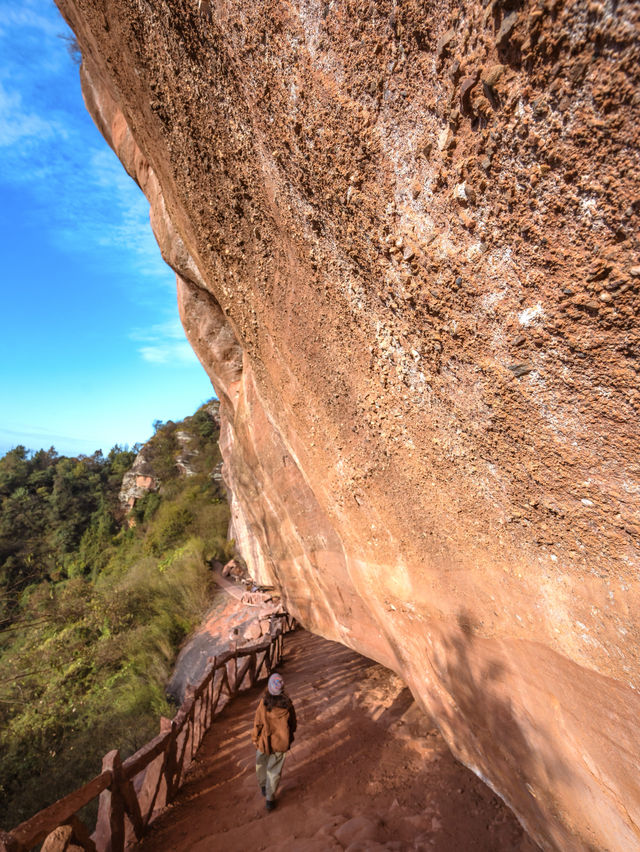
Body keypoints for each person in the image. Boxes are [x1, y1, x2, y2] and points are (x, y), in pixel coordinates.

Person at [251, 672, 297, 811]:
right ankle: (270, 799)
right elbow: (293, 724)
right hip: (281, 742)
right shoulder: (287, 705)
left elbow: (257, 723)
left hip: (264, 742)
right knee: (274, 770)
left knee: (261, 764)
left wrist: (255, 738)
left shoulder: (264, 703)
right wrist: (289, 737)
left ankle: (264, 786)